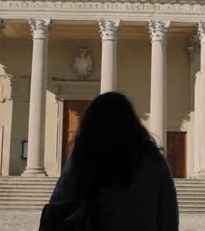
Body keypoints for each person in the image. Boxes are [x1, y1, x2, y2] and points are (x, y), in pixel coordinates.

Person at [49, 92, 179, 231]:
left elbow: (57, 209)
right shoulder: (154, 162)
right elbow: (169, 217)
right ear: (132, 122)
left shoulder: (81, 161)